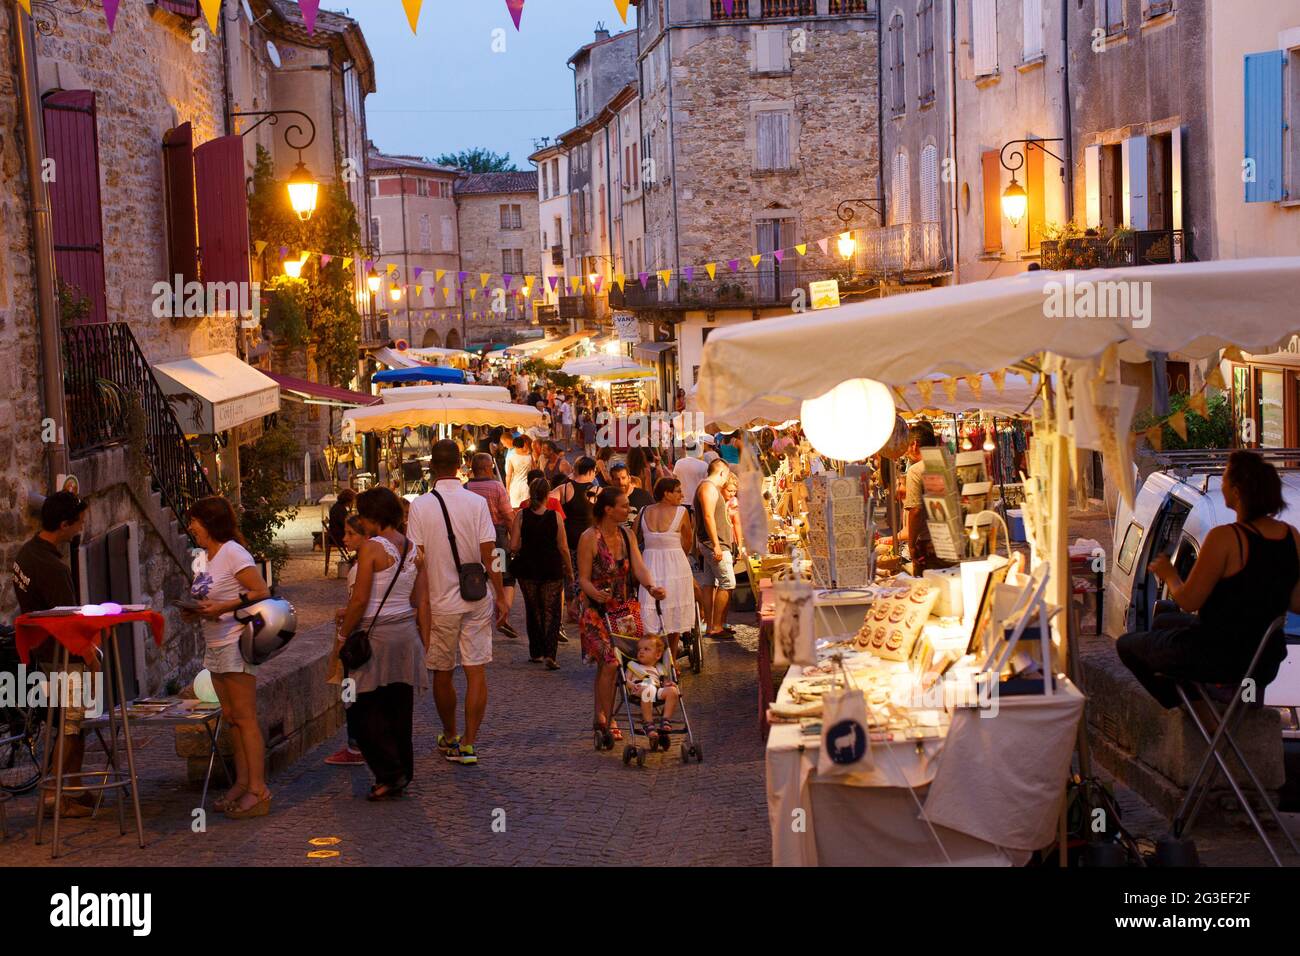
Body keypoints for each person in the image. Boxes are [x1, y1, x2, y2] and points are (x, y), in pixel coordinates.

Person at [1117, 451, 1300, 709]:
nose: (1222, 484)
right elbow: (1297, 603)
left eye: (1225, 478)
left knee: (1127, 646)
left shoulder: (1225, 538)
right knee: (1164, 621)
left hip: (1219, 656)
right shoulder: (1291, 536)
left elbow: (1189, 601)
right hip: (1264, 659)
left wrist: (1169, 574)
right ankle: (1207, 698)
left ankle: (1197, 707)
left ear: (1237, 492)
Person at [407, 440, 507, 766]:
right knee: (476, 670)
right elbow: (490, 553)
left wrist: (417, 604)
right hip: (476, 596)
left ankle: (449, 735)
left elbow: (416, 560)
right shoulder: (476, 502)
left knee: (443, 672)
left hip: (440, 602)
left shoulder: (420, 506)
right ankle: (469, 742)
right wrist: (502, 593)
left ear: (432, 467)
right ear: (460, 465)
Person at [336, 488, 429, 800]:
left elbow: (360, 598)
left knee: (361, 710)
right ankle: (401, 771)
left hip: (376, 638)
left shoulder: (373, 548)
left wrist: (341, 635)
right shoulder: (415, 550)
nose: (361, 520)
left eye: (363, 515)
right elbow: (421, 601)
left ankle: (389, 773)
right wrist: (423, 642)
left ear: (374, 516)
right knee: (399, 710)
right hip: (406, 635)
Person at [186, 496, 273, 818]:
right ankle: (242, 781)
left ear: (209, 523)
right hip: (215, 643)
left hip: (236, 643)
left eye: (195, 520)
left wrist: (222, 608)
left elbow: (260, 591)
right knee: (232, 718)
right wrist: (195, 612)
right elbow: (208, 593)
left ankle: (259, 790)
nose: (191, 526)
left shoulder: (234, 552)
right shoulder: (204, 556)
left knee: (246, 717)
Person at [12, 491, 92, 818]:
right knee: (71, 728)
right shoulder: (52, 569)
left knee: (72, 724)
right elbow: (68, 620)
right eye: (78, 522)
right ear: (64, 524)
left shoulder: (25, 555)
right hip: (63, 656)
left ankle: (72, 789)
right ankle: (55, 795)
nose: (81, 527)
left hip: (43, 654)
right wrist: (90, 653)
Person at [578, 488, 666, 741]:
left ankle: (601, 714)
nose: (628, 509)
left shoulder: (627, 535)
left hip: (625, 611)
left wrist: (651, 587)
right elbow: (582, 578)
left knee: (624, 661)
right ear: (608, 509)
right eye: (624, 506)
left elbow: (639, 568)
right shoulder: (589, 538)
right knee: (609, 662)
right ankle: (608, 717)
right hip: (597, 611)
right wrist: (594, 593)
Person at [510, 477, 574, 670]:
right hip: (551, 566)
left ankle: (536, 652)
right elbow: (563, 547)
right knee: (551, 611)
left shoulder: (521, 516)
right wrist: (569, 570)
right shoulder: (554, 517)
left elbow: (513, 546)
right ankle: (550, 654)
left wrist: (526, 543)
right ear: (547, 495)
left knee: (533, 609)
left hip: (527, 567)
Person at [325, 515, 369, 767]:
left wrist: (342, 635)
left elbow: (359, 604)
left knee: (350, 690)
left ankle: (355, 745)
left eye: (351, 534)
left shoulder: (359, 569)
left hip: (355, 640)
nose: (345, 539)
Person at [638, 477, 696, 660]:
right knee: (675, 609)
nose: (682, 495)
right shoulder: (681, 512)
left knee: (652, 610)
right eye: (678, 491)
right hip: (675, 563)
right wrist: (680, 554)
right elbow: (688, 540)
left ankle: (654, 655)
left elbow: (633, 538)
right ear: (666, 493)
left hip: (649, 562)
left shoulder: (643, 511)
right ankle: (670, 657)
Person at [465, 452, 519, 640]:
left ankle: (477, 618)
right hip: (496, 537)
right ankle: (502, 612)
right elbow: (507, 514)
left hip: (472, 539)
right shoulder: (497, 487)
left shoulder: (466, 487)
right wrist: (515, 537)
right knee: (506, 578)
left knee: (478, 576)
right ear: (488, 468)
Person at [902, 421, 951, 574]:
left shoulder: (916, 470)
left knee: (928, 590)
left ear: (915, 444)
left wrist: (911, 546)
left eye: (907, 445)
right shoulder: (950, 462)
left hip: (931, 545)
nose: (906, 451)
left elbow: (916, 511)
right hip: (957, 539)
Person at [694, 459, 735, 638]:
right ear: (721, 473)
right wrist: (717, 545)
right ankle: (716, 626)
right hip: (714, 545)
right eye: (726, 475)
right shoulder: (709, 488)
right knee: (728, 583)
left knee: (709, 584)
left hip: (710, 544)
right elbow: (708, 516)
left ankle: (711, 625)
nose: (726, 479)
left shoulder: (708, 487)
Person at [625, 635, 679, 748]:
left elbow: (663, 683)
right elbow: (626, 680)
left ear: (658, 655)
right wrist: (632, 685)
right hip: (640, 688)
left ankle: (665, 720)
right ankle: (648, 723)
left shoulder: (659, 668)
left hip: (656, 689)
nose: (641, 652)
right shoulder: (633, 666)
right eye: (639, 649)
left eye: (646, 649)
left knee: (673, 691)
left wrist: (669, 684)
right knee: (647, 689)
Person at [610, 462, 653, 526]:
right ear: (612, 481)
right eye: (617, 479)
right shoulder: (608, 498)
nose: (621, 482)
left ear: (629, 478)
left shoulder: (643, 495)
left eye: (623, 478)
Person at [673, 441, 709, 518]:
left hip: (681, 499)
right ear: (698, 451)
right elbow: (706, 484)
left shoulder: (678, 463)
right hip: (697, 500)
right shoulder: (704, 465)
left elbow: (674, 479)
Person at [504, 433, 534, 508]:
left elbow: (508, 475)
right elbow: (534, 470)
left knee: (515, 508)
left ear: (514, 446)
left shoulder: (512, 458)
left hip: (514, 486)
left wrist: (507, 488)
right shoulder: (530, 457)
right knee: (526, 508)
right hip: (527, 486)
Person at [327, 488, 356, 559]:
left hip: (337, 534)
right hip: (338, 537)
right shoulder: (339, 510)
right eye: (351, 501)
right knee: (361, 539)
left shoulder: (338, 506)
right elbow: (346, 525)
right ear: (348, 500)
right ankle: (358, 558)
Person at [723, 474, 746, 557]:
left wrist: (739, 544)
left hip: (730, 539)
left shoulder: (734, 502)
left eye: (734, 491)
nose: (732, 494)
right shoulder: (718, 501)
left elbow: (737, 523)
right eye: (729, 491)